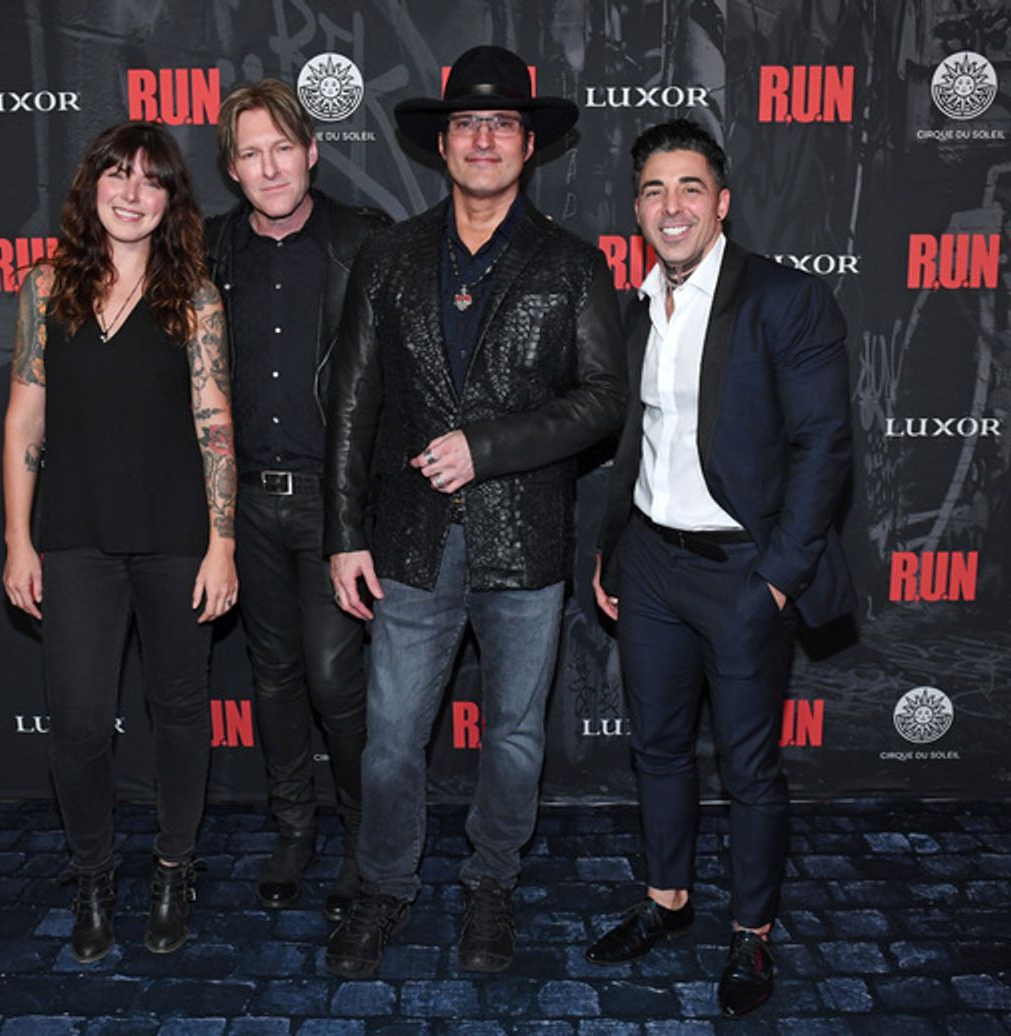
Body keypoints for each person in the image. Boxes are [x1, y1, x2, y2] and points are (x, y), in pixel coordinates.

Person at [323, 45, 626, 979]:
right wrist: (343, 536)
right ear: (442, 144)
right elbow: (351, 407)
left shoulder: (571, 264)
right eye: (467, 124)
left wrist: (484, 448)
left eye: (502, 124)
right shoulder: (389, 256)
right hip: (409, 543)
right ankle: (383, 888)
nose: (484, 139)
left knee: (515, 739)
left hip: (525, 541)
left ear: (528, 147)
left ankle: (491, 884)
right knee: (389, 746)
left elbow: (603, 401)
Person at [587, 118, 854, 1018]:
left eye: (690, 188)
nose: (672, 207)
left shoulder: (783, 299)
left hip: (745, 570)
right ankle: (667, 901)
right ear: (637, 210)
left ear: (723, 201)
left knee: (747, 766)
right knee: (657, 750)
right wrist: (612, 552)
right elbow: (635, 449)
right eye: (655, 191)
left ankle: (752, 932)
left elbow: (824, 446)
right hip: (654, 565)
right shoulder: (636, 310)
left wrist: (778, 576)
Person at [2, 121, 236, 963]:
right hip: (74, 539)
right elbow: (26, 414)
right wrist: (15, 540)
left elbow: (215, 424)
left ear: (172, 198)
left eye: (151, 179)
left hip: (177, 536)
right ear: (91, 185)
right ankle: (93, 874)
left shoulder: (196, 296)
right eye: (117, 174)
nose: (131, 192)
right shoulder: (45, 287)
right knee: (76, 723)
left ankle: (175, 867)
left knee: (178, 714)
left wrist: (222, 544)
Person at [203, 80, 389, 921]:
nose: (270, 166)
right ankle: (293, 830)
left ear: (312, 152)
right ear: (233, 169)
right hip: (241, 504)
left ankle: (361, 837)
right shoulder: (208, 252)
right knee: (271, 676)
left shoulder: (362, 242)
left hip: (330, 503)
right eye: (251, 152)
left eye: (284, 146)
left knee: (330, 675)